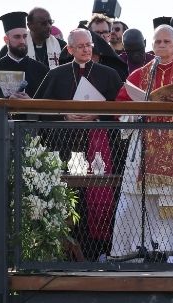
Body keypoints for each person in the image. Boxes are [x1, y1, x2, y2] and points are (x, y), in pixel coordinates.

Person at [110, 25, 173, 258]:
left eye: (167, 41)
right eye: (158, 42)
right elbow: (119, 110)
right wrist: (138, 110)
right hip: (145, 146)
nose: (162, 45)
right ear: (151, 45)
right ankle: (133, 250)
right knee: (136, 201)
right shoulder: (138, 75)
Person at [35, 29, 123, 257]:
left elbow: (121, 110)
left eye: (88, 45)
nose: (86, 50)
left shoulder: (108, 74)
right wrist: (64, 115)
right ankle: (64, 251)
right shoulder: (57, 75)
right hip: (65, 146)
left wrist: (97, 115)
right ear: (70, 49)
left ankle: (100, 251)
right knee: (69, 198)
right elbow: (39, 109)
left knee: (98, 197)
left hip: (99, 148)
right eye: (80, 46)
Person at [0, 11, 49, 98]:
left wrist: (31, 102)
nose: (22, 41)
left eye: (25, 36)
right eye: (17, 37)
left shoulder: (42, 70)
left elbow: (48, 101)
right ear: (6, 40)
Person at [0, 7, 71, 68]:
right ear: (30, 26)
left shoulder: (61, 46)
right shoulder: (11, 48)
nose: (49, 26)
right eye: (43, 23)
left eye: (50, 22)